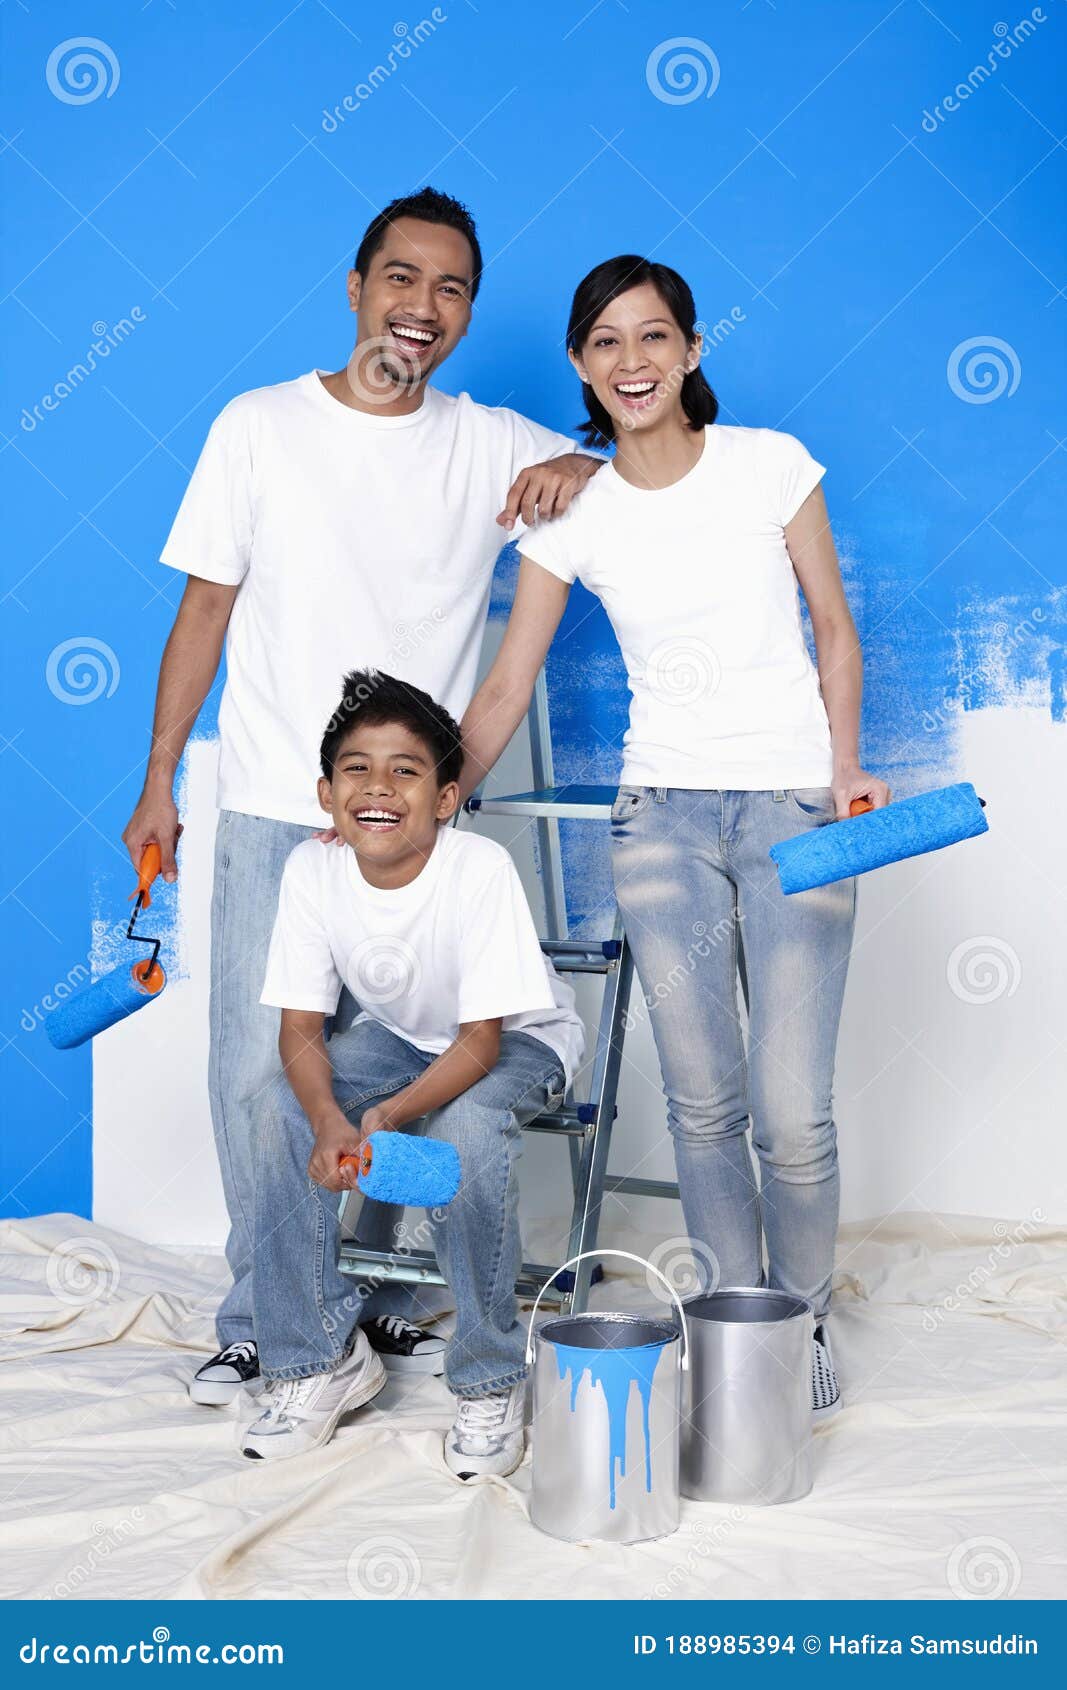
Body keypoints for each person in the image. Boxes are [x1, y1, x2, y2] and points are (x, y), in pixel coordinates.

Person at [120, 189, 602, 1402]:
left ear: (466, 310)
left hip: (415, 827)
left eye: (449, 289)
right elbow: (206, 611)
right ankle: (273, 1314)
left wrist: (574, 457)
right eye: (401, 278)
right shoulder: (258, 426)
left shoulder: (487, 439)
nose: (422, 307)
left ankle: (376, 1292)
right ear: (355, 286)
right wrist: (159, 777)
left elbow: (630, 471)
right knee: (258, 1070)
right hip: (283, 805)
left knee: (402, 1053)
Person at [459, 255, 892, 1419]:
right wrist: (423, 792)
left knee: (792, 1109)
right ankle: (733, 1328)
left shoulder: (768, 466)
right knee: (704, 1107)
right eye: (605, 342)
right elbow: (505, 687)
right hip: (659, 825)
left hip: (795, 810)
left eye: (652, 338)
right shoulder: (574, 511)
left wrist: (844, 766)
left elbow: (833, 632)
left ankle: (796, 1323)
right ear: (579, 365)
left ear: (691, 351)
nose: (631, 361)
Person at [240, 669, 583, 1476]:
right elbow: (299, 1028)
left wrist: (385, 1116)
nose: (379, 786)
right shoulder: (310, 870)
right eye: (356, 768)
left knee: (465, 1132)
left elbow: (480, 1045)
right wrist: (329, 1118)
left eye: (406, 769)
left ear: (445, 796)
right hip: (401, 1037)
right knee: (275, 1107)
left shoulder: (477, 869)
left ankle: (488, 1379)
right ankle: (315, 1360)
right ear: (326, 794)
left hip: (517, 1039)